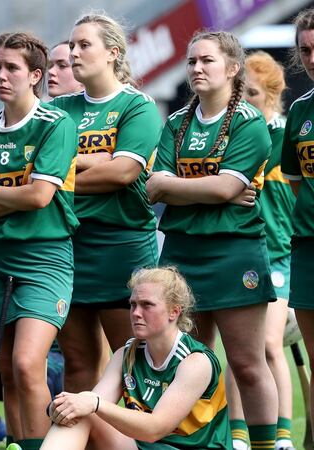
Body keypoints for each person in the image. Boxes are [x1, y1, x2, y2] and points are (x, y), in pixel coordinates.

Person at [147, 30, 278, 449]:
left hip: (233, 253)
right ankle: (196, 443)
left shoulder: (248, 122)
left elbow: (219, 189)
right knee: (188, 361)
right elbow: (153, 186)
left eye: (207, 60)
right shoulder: (174, 122)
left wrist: (179, 185)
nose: (197, 68)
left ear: (232, 68)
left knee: (246, 362)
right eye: (191, 62)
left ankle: (265, 444)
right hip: (182, 254)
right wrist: (212, 186)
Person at [0, 32, 78, 450]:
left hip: (45, 258)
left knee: (28, 365)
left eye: (12, 68)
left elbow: (41, 196)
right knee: (7, 371)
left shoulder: (56, 124)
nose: (1, 75)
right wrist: (11, 196)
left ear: (35, 76)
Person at [50, 13, 163, 394]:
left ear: (113, 53)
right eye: (72, 45)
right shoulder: (61, 110)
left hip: (122, 245)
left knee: (132, 360)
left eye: (84, 45)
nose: (74, 53)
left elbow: (123, 173)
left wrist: (59, 179)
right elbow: (37, 169)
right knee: (78, 362)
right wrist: (99, 161)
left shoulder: (138, 105)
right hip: (69, 246)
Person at [41, 267, 229, 450]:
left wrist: (93, 404)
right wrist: (62, 408)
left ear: (174, 311)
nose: (136, 313)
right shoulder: (126, 354)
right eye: (133, 304)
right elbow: (91, 403)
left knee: (89, 408)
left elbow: (155, 429)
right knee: (82, 415)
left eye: (147, 305)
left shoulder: (195, 361)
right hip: (144, 446)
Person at [226, 51, 295, 450]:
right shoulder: (233, 134)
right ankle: (237, 436)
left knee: (267, 346)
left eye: (252, 92)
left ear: (271, 95)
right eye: (241, 91)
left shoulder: (287, 136)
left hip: (279, 254)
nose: (244, 99)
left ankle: (281, 435)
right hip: (241, 251)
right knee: (239, 350)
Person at [281, 6, 314, 436]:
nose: (312, 57)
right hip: (308, 247)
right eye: (305, 50)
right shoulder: (300, 112)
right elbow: (295, 181)